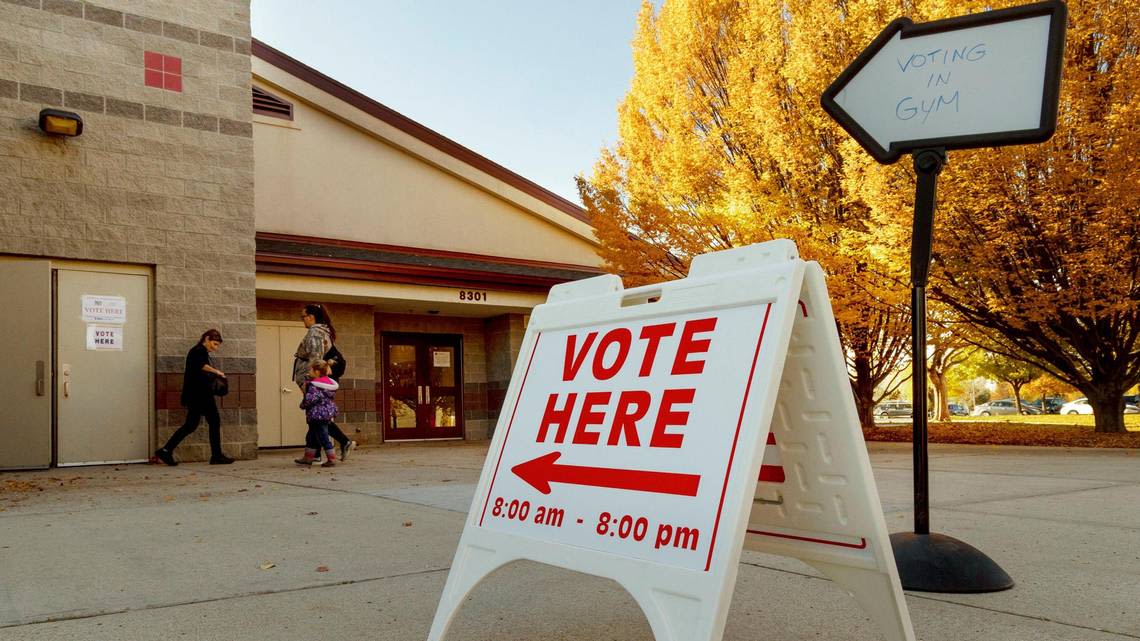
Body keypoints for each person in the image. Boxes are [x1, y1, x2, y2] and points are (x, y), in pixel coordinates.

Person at [153, 329, 234, 465]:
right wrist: (218, 372)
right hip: (200, 395)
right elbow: (201, 366)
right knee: (213, 422)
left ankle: (166, 451)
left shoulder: (201, 352)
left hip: (197, 395)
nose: (215, 348)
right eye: (214, 344)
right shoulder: (198, 350)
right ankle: (216, 456)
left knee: (191, 425)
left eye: (217, 345)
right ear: (207, 339)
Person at [293, 304, 357, 461]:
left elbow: (316, 358)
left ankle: (341, 443)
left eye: (303, 317)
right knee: (316, 418)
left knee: (317, 418)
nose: (303, 320)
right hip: (317, 381)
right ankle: (314, 454)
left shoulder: (315, 333)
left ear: (311, 317)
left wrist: (310, 381)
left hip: (314, 381)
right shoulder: (323, 331)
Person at [295, 360, 339, 467]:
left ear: (317, 371)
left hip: (317, 415)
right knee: (311, 436)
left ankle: (331, 458)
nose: (309, 371)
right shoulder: (328, 384)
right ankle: (308, 457)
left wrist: (303, 405)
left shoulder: (315, 386)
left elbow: (310, 399)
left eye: (311, 369)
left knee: (323, 436)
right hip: (325, 413)